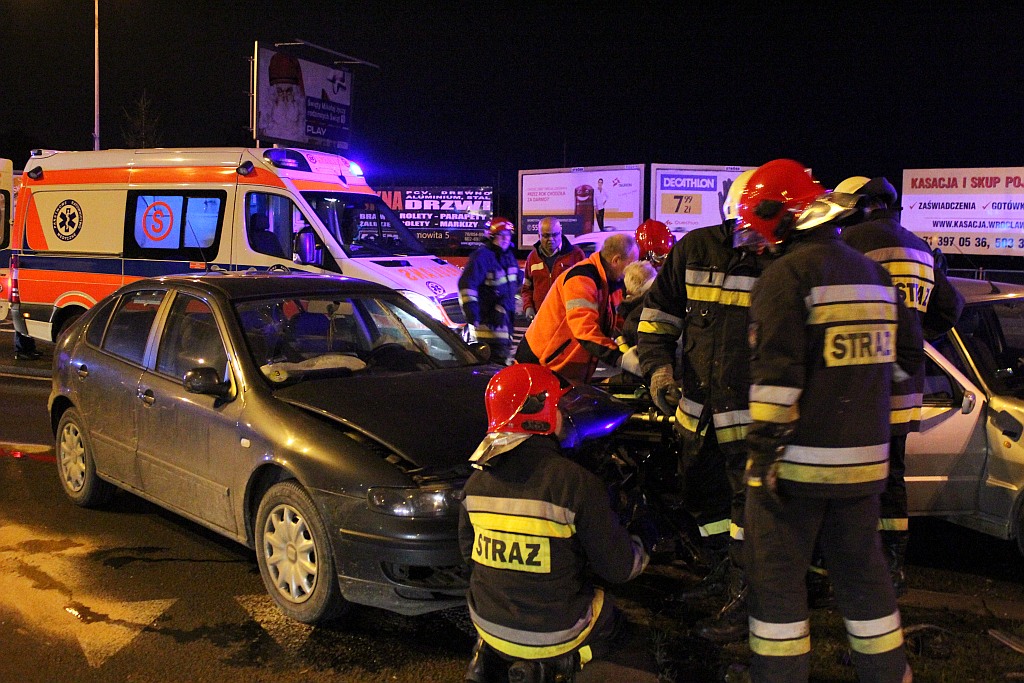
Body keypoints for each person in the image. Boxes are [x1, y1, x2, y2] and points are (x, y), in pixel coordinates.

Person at [739, 159, 920, 683]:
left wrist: (762, 458)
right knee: (865, 578)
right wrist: (859, 390)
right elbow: (909, 355)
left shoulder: (785, 277)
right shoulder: (873, 271)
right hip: (864, 468)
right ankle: (889, 674)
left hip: (798, 470)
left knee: (777, 586)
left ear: (780, 216)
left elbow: (776, 381)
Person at [635, 169, 766, 642]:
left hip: (752, 424)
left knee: (749, 516)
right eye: (743, 227)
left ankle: (748, 600)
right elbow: (656, 319)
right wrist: (658, 371)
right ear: (728, 217)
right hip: (697, 417)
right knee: (703, 504)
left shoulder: (785, 260)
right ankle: (722, 575)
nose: (752, 240)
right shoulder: (693, 249)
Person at [459, 363, 649, 683]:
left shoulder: (475, 483)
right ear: (539, 410)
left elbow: (468, 558)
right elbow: (618, 568)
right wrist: (644, 537)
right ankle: (562, 665)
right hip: (553, 634)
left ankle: (488, 658)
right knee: (611, 616)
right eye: (559, 404)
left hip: (487, 626)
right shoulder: (575, 483)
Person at [837, 175, 964, 596]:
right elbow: (951, 306)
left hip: (860, 383)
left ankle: (842, 566)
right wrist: (916, 331)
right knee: (892, 477)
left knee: (847, 477)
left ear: (859, 205)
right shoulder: (920, 248)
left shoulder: (850, 241)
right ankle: (891, 568)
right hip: (905, 388)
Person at [515, 233, 638, 385]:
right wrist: (620, 358)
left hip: (558, 368)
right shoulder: (581, 279)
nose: (631, 271)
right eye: (631, 264)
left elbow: (617, 324)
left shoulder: (608, 284)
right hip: (540, 366)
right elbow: (585, 331)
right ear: (616, 260)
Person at [459, 217, 523, 364]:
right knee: (489, 366)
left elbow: (514, 282)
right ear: (491, 236)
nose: (506, 239)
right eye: (501, 235)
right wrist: (473, 314)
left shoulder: (508, 257)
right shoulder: (482, 256)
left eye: (508, 235)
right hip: (487, 326)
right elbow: (467, 285)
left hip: (504, 324)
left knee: (501, 362)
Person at [520, 217, 585, 322]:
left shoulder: (576, 255)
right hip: (540, 319)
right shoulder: (532, 258)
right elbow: (527, 288)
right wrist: (528, 307)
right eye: (546, 236)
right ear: (539, 236)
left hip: (567, 320)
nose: (550, 239)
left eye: (554, 235)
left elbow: (584, 289)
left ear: (561, 233)